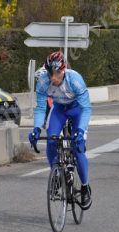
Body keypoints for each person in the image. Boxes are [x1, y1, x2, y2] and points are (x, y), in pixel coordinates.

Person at [29, 51, 92, 210]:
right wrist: (36, 128)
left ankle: (84, 186)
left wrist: (80, 130)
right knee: (51, 141)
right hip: (59, 110)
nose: (53, 78)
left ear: (63, 70)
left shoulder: (75, 80)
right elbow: (41, 107)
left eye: (57, 74)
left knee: (78, 148)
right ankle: (57, 176)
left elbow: (86, 108)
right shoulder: (43, 82)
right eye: (50, 73)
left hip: (77, 110)